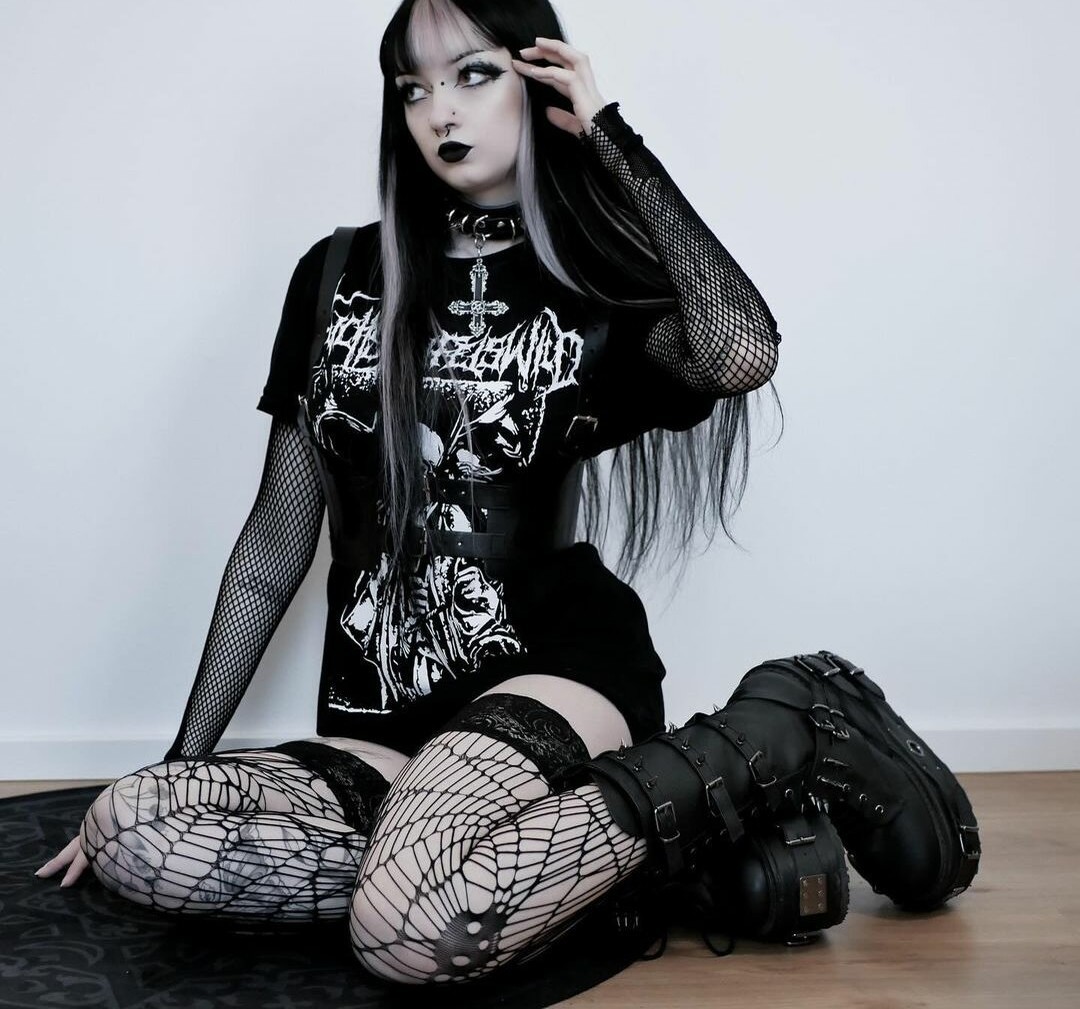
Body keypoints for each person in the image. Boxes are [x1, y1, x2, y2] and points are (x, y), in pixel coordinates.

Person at [34, 0, 979, 988]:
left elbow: (739, 351)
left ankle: (784, 727)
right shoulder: (335, 274)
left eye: (474, 74)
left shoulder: (590, 279)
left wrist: (611, 138)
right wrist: (182, 758)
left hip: (548, 674)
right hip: (384, 724)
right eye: (413, 89)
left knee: (407, 934)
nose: (440, 110)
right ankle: (627, 864)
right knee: (130, 826)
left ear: (537, 81)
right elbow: (274, 546)